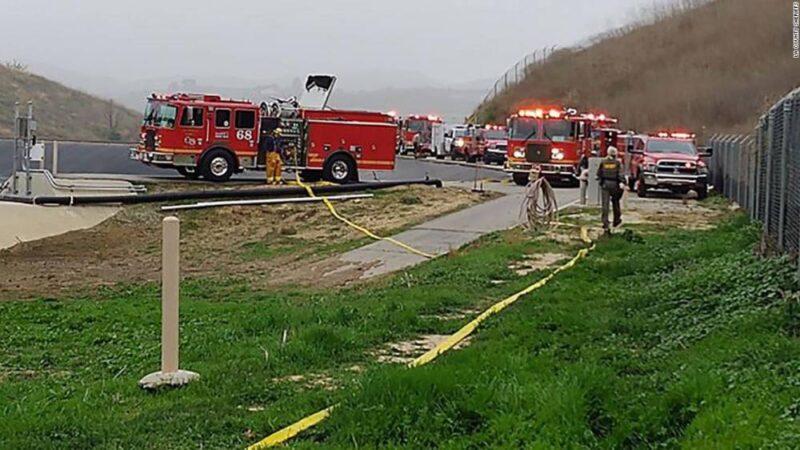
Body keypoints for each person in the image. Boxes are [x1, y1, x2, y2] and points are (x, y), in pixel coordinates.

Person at [596, 146, 624, 233]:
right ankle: (616, 220)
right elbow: (620, 174)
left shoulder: (603, 162)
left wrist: (601, 181)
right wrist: (623, 182)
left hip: (605, 184)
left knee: (605, 204)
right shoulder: (617, 163)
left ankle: (605, 223)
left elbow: (599, 173)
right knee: (615, 202)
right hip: (615, 185)